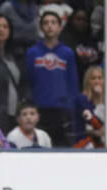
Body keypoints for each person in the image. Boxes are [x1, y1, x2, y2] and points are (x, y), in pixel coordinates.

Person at [25, 11, 78, 147]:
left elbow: (72, 83)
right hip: (39, 109)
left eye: (53, 23)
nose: (49, 26)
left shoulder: (67, 53)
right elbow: (28, 80)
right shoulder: (32, 52)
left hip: (62, 110)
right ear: (41, 27)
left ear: (60, 27)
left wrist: (71, 108)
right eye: (46, 23)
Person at [73, 66, 105, 148]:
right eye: (93, 78)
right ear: (88, 81)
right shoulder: (81, 99)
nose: (97, 81)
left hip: (102, 144)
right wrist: (99, 98)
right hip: (84, 144)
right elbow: (96, 124)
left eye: (100, 78)